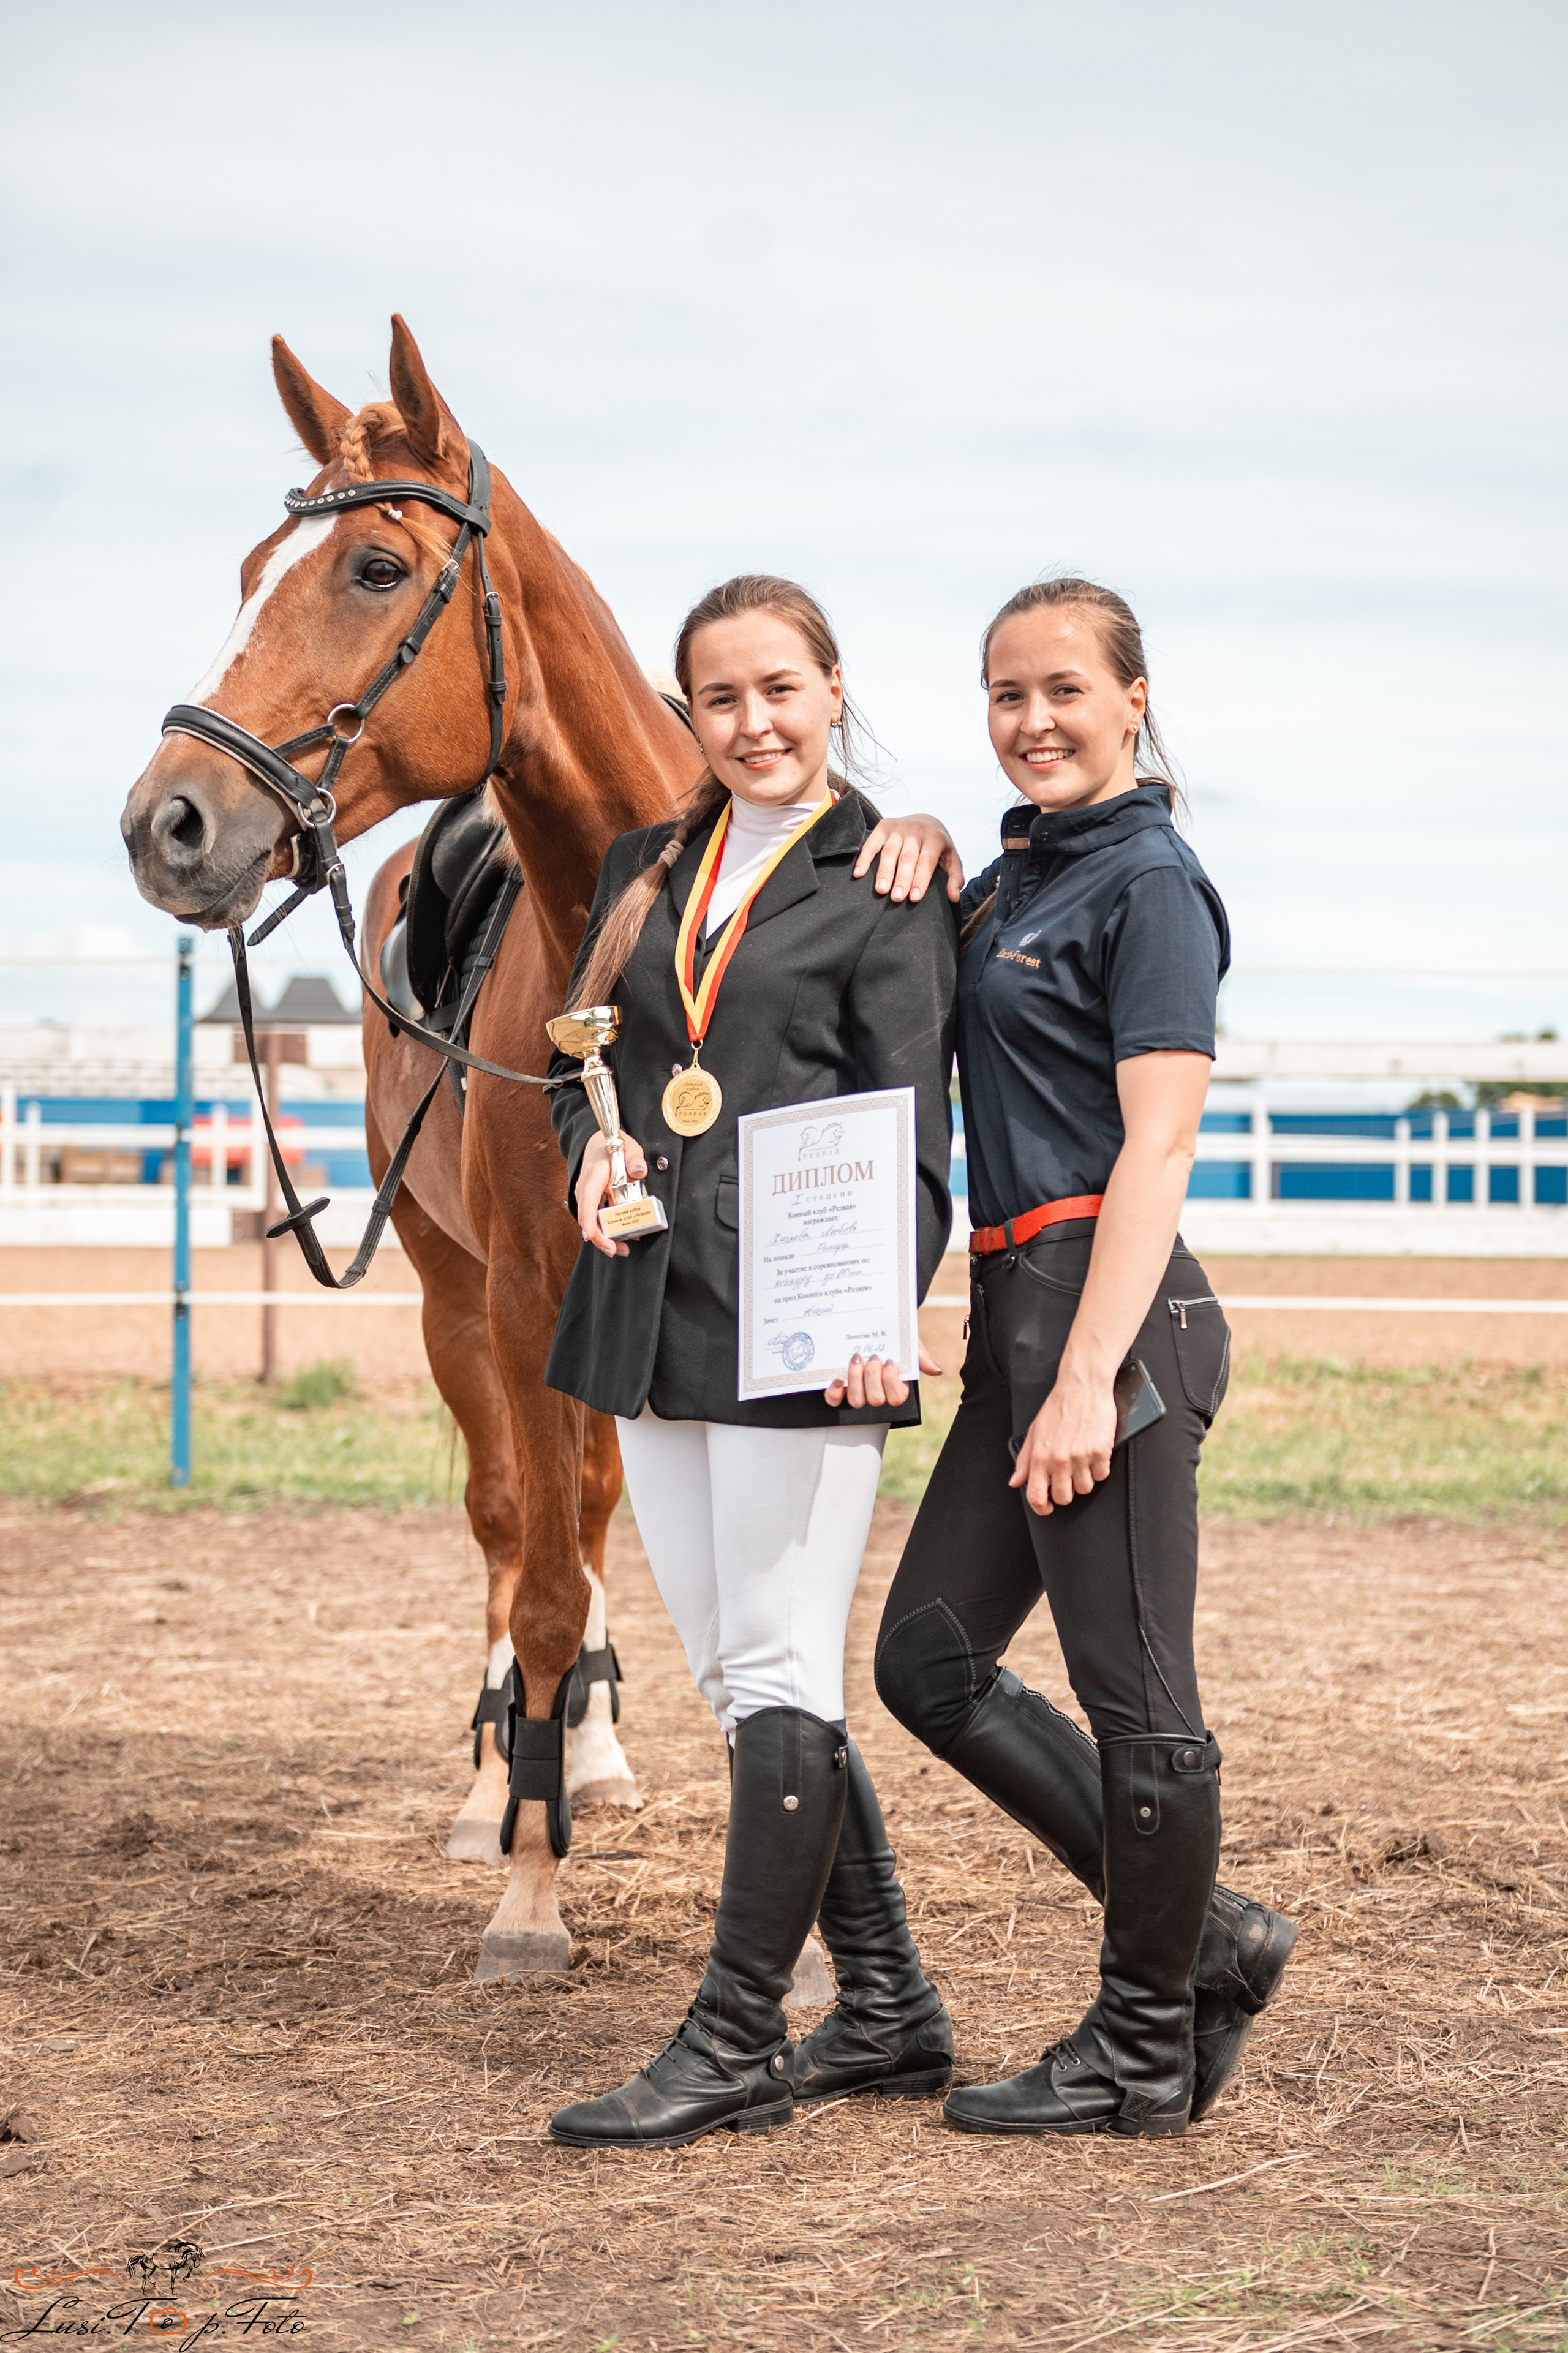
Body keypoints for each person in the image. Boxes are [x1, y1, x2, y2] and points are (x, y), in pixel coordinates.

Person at [874, 577, 1298, 2139]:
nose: (1031, 720)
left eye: (1063, 689)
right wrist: (917, 833)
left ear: (1132, 697)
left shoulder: (1152, 887)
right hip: (1012, 1311)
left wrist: (1078, 1378)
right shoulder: (1016, 878)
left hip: (1109, 1317)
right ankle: (1217, 1939)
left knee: (1139, 1701)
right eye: (1004, 694)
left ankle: (1141, 2043)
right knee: (924, 1659)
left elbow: (1160, 1141)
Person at [543, 575, 960, 2150]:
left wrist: (879, 1314)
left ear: (831, 688)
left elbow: (910, 1111)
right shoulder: (645, 866)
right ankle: (890, 2004)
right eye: (717, 700)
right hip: (647, 1313)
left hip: (805, 1326)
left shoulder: (889, 874)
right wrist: (586, 1155)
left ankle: (732, 2035)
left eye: (778, 689)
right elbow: (579, 1064)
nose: (752, 723)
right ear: (685, 715)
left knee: (780, 1672)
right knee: (730, 1676)